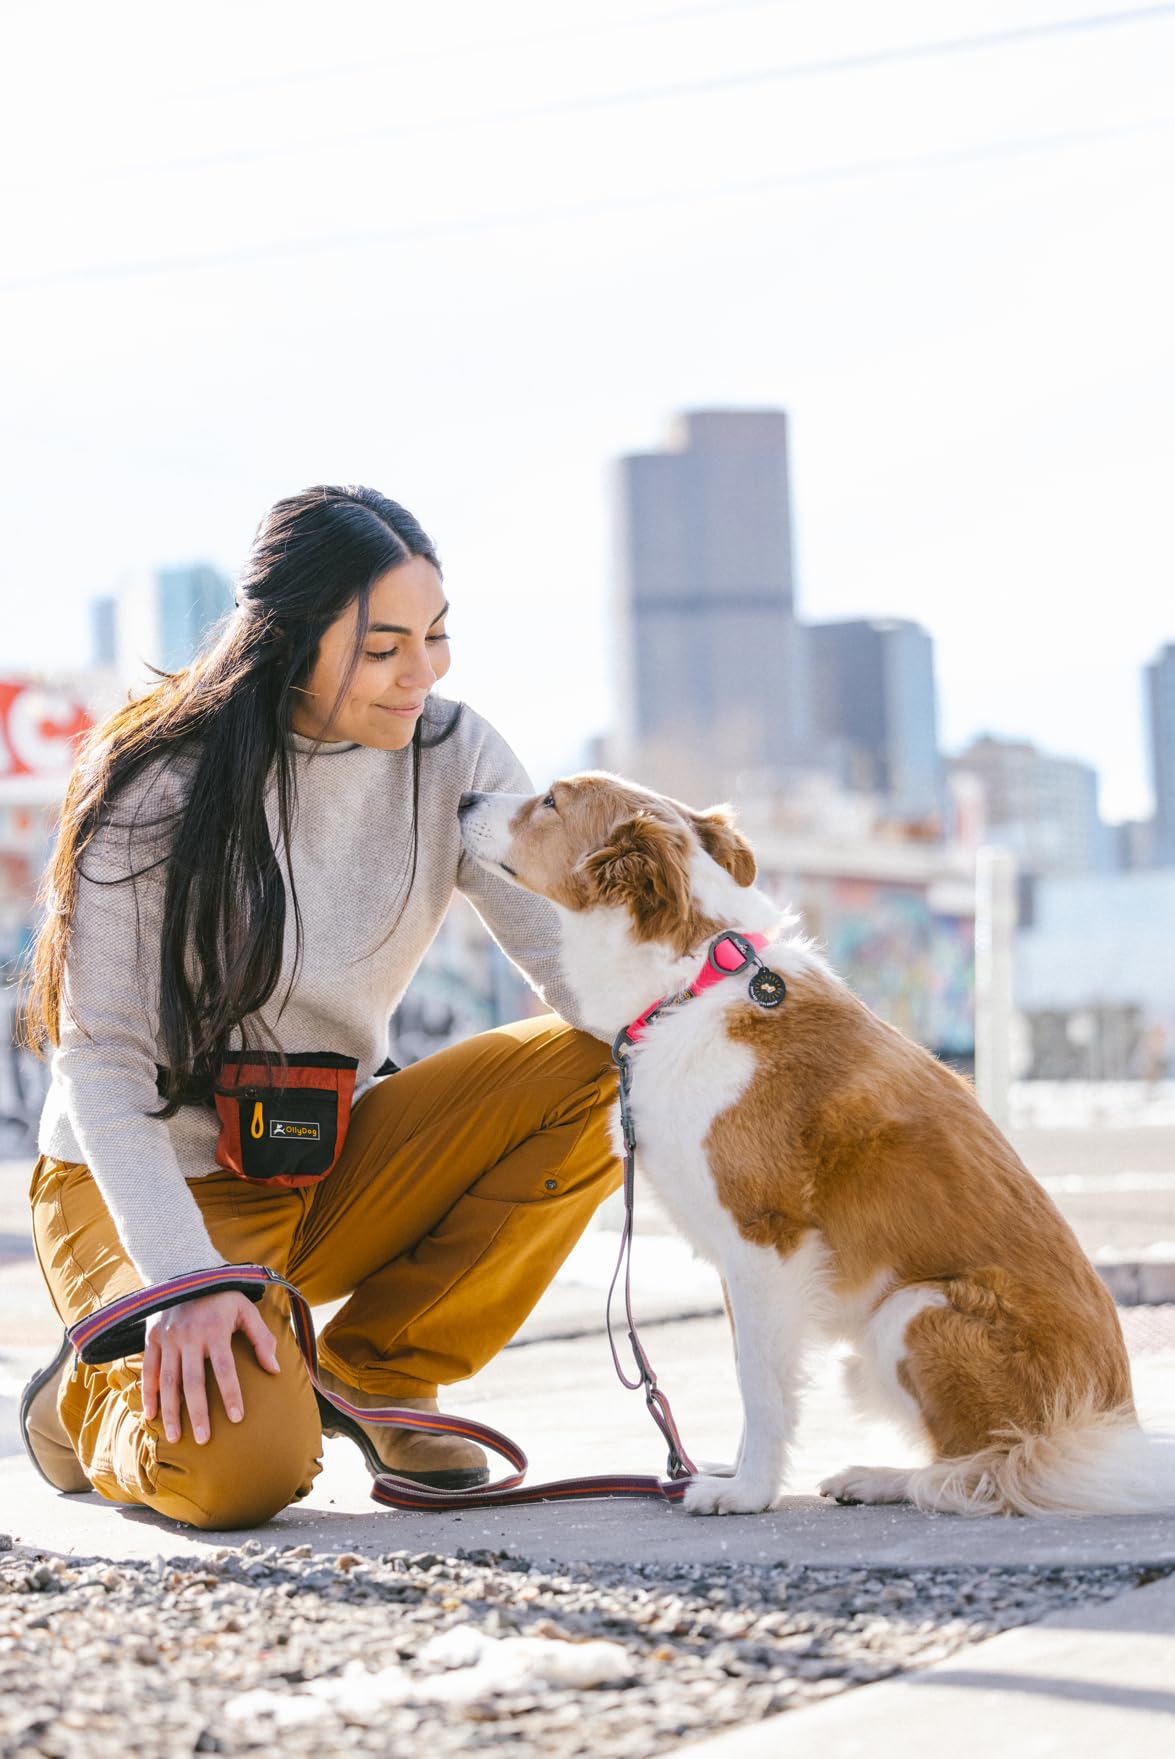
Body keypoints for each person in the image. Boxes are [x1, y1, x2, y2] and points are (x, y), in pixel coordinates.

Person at [20, 485, 621, 1530]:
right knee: (239, 1476)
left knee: (626, 1052)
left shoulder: (454, 755)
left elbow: (570, 961)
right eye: (384, 645)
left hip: (323, 1156)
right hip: (151, 1181)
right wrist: (182, 1282)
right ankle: (86, 1402)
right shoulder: (155, 785)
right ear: (290, 638)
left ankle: (385, 1371)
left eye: (435, 637)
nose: (422, 673)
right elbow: (101, 1061)